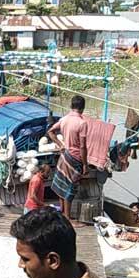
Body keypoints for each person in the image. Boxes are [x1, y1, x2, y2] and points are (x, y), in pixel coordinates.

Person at [47, 96, 88, 225]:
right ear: (82, 108)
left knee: (61, 186)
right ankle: (68, 218)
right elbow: (82, 146)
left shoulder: (64, 119)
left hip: (65, 156)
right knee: (70, 187)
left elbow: (50, 131)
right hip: (75, 158)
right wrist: (85, 164)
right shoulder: (82, 123)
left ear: (71, 106)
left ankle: (64, 215)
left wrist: (61, 145)